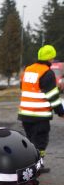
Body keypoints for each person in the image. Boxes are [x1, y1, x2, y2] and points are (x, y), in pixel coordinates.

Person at [18, 44, 64, 173]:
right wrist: (60, 112)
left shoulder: (28, 69)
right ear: (50, 58)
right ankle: (36, 167)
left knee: (30, 141)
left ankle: (29, 165)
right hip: (39, 115)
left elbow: (22, 87)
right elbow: (52, 96)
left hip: (25, 114)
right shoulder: (47, 73)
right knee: (40, 142)